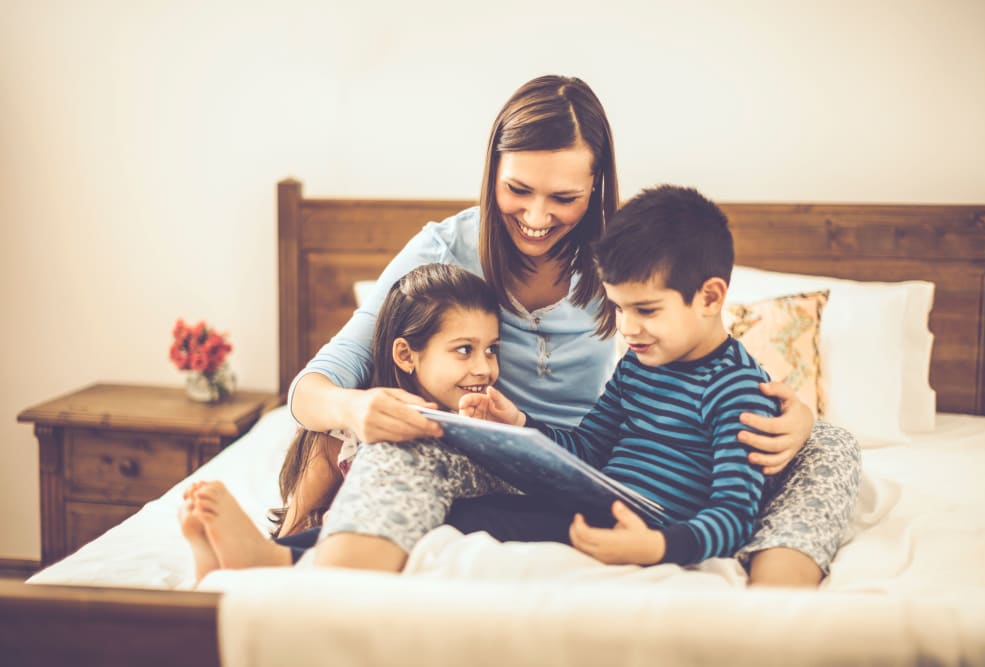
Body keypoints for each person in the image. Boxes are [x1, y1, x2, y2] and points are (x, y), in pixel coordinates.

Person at [192, 74, 859, 585]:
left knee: (831, 444)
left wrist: (792, 413)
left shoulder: (629, 260)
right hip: (505, 450)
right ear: (492, 172)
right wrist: (356, 407)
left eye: (563, 198)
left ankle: (775, 610)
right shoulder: (444, 248)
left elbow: (706, 367)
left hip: (605, 474)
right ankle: (297, 570)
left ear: (597, 189)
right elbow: (314, 387)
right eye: (518, 190)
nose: (536, 217)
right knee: (417, 443)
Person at [451, 184, 784, 566]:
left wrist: (656, 546)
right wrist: (519, 423)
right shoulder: (636, 366)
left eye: (646, 310)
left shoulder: (737, 389)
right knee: (467, 511)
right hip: (595, 509)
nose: (627, 328)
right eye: (619, 309)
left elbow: (735, 516)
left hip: (652, 533)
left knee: (475, 522)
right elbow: (588, 449)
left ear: (709, 298)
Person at [179, 263, 517, 581]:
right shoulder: (343, 436)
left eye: (491, 350)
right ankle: (251, 562)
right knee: (322, 524)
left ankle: (252, 566)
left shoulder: (488, 419)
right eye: (463, 350)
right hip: (361, 531)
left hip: (439, 526)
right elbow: (301, 517)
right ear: (405, 355)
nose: (485, 368)